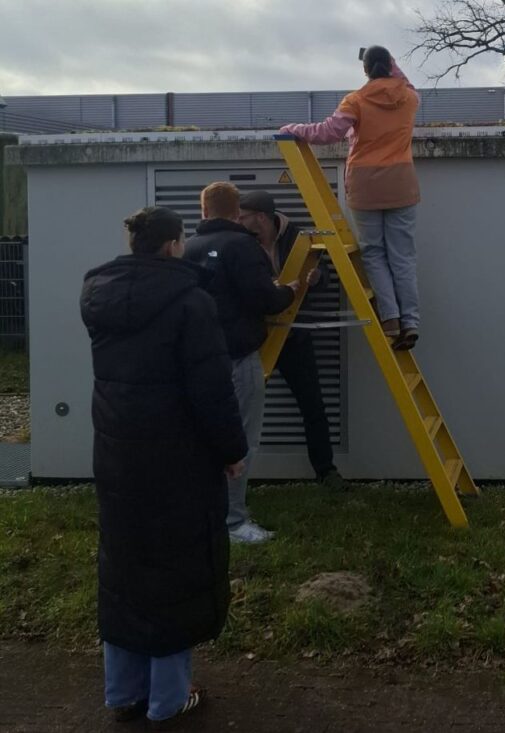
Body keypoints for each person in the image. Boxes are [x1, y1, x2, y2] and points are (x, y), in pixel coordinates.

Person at [80, 207, 248, 727]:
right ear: (175, 244)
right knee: (176, 568)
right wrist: (231, 450)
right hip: (178, 460)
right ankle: (168, 700)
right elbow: (212, 390)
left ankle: (122, 694)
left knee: (124, 565)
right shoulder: (191, 303)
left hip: (117, 455)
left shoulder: (98, 296)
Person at [280, 44, 421, 350]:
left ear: (365, 70)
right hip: (401, 184)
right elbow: (403, 78)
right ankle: (410, 321)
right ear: (391, 65)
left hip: (365, 184)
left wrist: (291, 129)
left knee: (373, 253)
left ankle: (391, 318)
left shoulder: (355, 100)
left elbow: (327, 133)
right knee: (403, 256)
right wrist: (386, 61)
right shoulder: (410, 97)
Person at [185, 182, 297, 544]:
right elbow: (264, 298)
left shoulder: (188, 247)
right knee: (240, 440)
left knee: (204, 440)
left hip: (197, 363)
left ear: (203, 211)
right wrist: (291, 291)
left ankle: (205, 514)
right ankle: (233, 523)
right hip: (237, 357)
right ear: (236, 213)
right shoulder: (241, 246)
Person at [239, 190, 345, 489]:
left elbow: (320, 270)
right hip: (258, 337)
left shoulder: (299, 236)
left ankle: (326, 471)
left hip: (294, 334)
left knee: (313, 404)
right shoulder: (241, 242)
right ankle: (231, 476)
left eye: (243, 216)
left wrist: (316, 279)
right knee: (242, 406)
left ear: (261, 217)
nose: (238, 221)